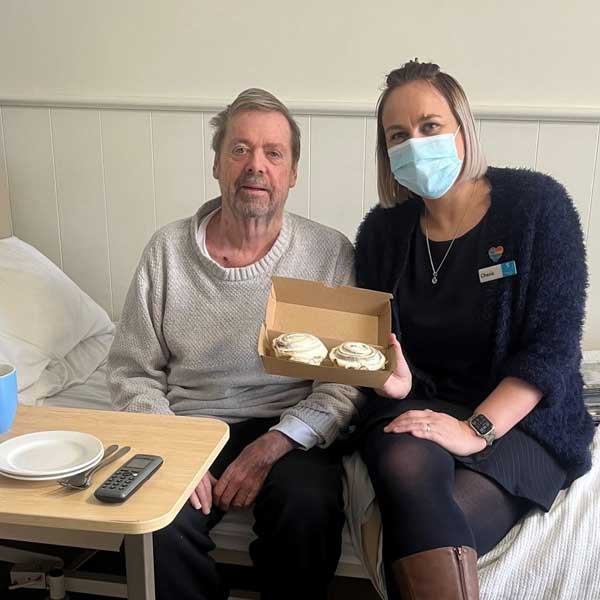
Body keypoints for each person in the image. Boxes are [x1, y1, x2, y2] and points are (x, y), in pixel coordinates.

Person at [107, 88, 364, 600]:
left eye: (274, 153)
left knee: (308, 507)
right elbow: (132, 371)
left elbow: (342, 384)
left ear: (292, 174)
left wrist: (278, 442)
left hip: (288, 430)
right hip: (190, 426)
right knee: (157, 522)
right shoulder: (166, 251)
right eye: (240, 150)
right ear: (218, 165)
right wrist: (178, 451)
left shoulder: (328, 253)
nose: (256, 166)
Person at [351, 60, 595, 599]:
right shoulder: (381, 234)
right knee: (404, 458)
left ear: (463, 128)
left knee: (429, 525)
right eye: (397, 135)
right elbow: (382, 351)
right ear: (385, 152)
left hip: (523, 416)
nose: (414, 143)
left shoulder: (536, 208)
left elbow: (553, 350)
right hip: (424, 400)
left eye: (429, 126)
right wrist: (388, 380)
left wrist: (474, 430)